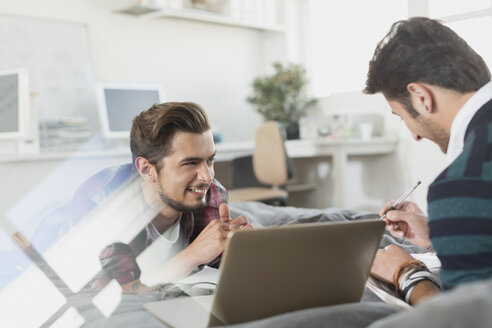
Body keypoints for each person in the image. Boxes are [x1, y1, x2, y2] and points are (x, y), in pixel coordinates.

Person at [364, 16, 492, 306]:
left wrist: (407, 274)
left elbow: (464, 322)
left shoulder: (462, 184)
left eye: (403, 117)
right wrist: (444, 234)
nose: (415, 135)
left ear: (421, 97)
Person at [71, 102, 252, 291]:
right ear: (147, 169)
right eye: (190, 163)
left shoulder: (213, 194)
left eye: (210, 160)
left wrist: (241, 253)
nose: (207, 177)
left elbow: (222, 264)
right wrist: (191, 256)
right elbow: (110, 295)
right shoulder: (99, 203)